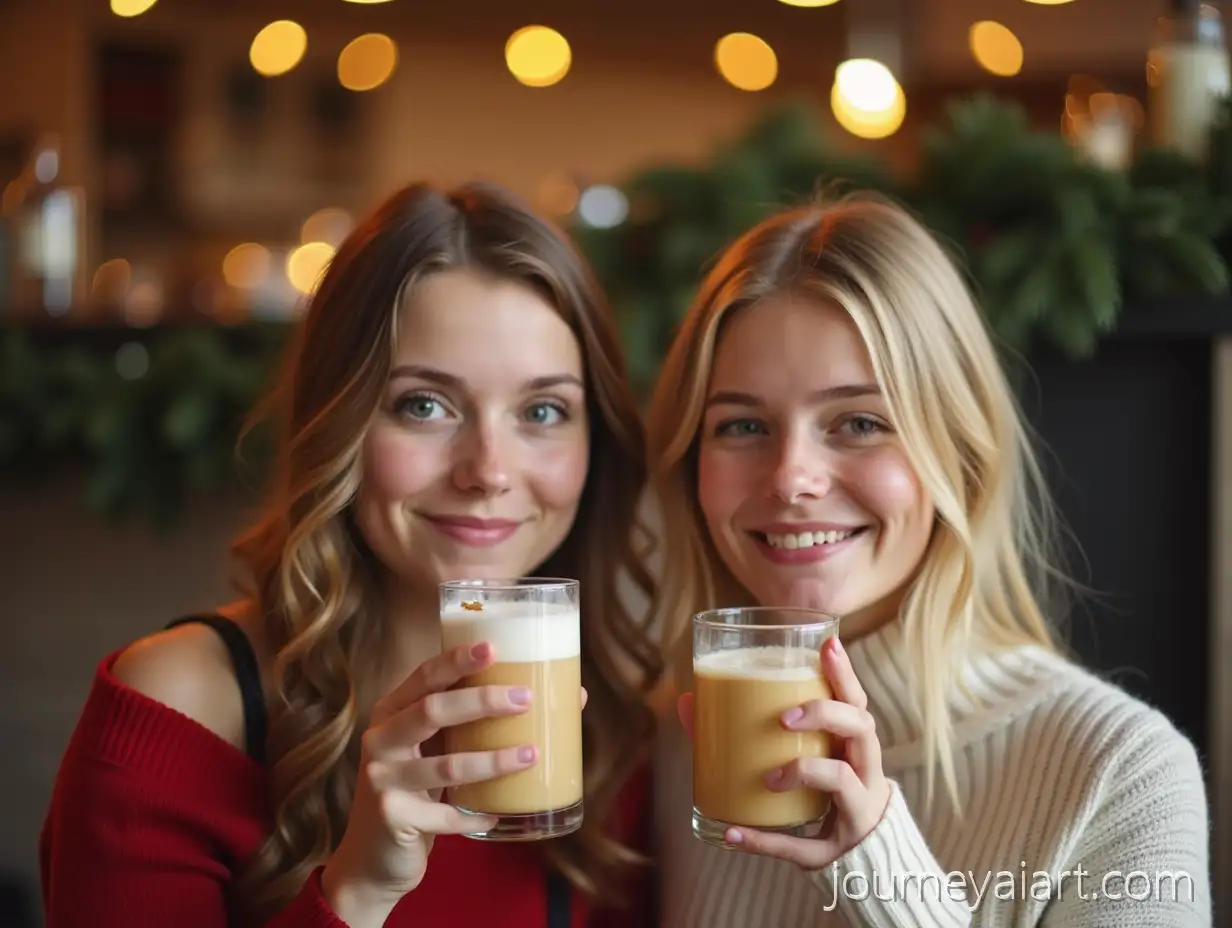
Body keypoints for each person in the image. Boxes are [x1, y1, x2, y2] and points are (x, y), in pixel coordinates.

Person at [39, 181, 663, 927]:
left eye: (543, 410)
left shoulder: (614, 727)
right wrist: (358, 893)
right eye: (424, 405)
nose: (489, 471)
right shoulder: (179, 711)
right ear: (339, 423)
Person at [644, 194, 1212, 926]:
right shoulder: (670, 745)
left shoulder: (1122, 772)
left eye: (859, 422)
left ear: (959, 452)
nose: (790, 479)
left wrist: (886, 878)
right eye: (743, 425)